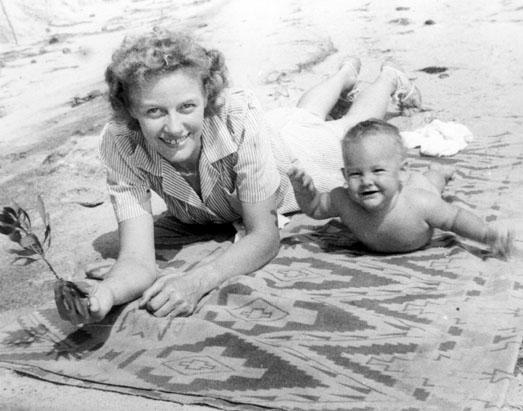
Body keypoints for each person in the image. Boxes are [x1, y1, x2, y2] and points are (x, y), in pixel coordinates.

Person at [55, 27, 422, 324]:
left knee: (346, 128)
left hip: (296, 155)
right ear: (130, 111)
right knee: (303, 113)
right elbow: (136, 260)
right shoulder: (119, 142)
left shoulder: (237, 117)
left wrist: (199, 280)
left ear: (207, 98)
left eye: (187, 107)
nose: (174, 127)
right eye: (153, 111)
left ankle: (387, 79)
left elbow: (264, 236)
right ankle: (344, 73)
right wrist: (104, 296)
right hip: (271, 131)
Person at [288, 118, 513, 256]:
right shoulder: (343, 199)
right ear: (344, 175)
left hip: (419, 189)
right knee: (425, 182)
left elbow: (455, 219)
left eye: (377, 171)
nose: (366, 181)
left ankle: (440, 172)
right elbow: (316, 208)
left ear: (402, 171)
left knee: (432, 182)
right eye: (356, 173)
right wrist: (304, 192)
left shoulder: (420, 203)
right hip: (405, 186)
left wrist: (486, 235)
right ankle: (432, 173)